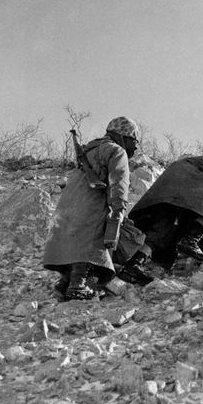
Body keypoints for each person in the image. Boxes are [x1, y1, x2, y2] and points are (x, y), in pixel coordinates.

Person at [43, 116, 150, 300]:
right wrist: (118, 211)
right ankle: (78, 284)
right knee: (94, 241)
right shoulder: (116, 151)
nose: (136, 147)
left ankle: (64, 284)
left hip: (66, 208)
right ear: (123, 137)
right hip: (90, 206)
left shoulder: (89, 152)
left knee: (78, 245)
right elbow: (119, 184)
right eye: (135, 140)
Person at [128, 149, 203, 269]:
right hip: (187, 180)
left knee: (163, 228)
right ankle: (191, 240)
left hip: (168, 188)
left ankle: (134, 263)